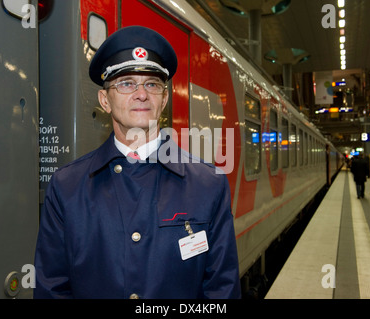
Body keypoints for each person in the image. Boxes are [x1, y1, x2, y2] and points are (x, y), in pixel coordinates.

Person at [34, 26, 241, 299]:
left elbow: (222, 292)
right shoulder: (66, 187)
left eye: (152, 84)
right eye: (126, 83)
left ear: (164, 99)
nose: (141, 94)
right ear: (105, 100)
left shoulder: (208, 184)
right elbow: (52, 290)